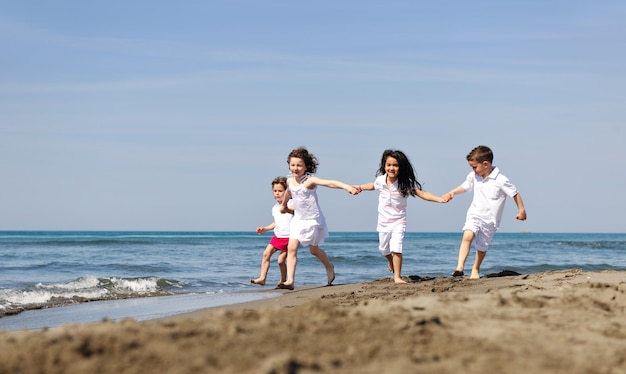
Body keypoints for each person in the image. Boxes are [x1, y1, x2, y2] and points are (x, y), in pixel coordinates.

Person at [354, 149, 449, 284]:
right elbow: (372, 185)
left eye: (395, 165)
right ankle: (390, 261)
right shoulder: (381, 180)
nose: (391, 168)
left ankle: (397, 277)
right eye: (389, 165)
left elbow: (423, 194)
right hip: (383, 221)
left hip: (399, 221)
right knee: (383, 249)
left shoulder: (405, 183)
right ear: (384, 166)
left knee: (396, 247)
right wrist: (359, 187)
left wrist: (439, 199)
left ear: (401, 167)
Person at [277, 147, 359, 290]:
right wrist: (283, 205)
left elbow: (330, 183)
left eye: (299, 165)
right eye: (292, 165)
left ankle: (329, 266)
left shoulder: (310, 181)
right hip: (298, 219)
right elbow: (289, 193)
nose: (295, 168)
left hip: (313, 220)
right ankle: (290, 280)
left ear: (306, 166)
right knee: (291, 248)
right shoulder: (289, 181)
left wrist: (347, 187)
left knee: (313, 250)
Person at [444, 145, 527, 279]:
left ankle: (475, 268)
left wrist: (521, 210)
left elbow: (515, 193)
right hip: (475, 213)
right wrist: (452, 192)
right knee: (467, 236)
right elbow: (465, 186)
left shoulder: (501, 179)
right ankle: (459, 266)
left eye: (474, 167)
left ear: (486, 164)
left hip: (490, 220)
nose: (473, 170)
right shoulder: (474, 176)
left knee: (482, 247)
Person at [251, 176, 294, 287]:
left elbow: (296, 213)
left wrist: (287, 210)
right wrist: (265, 229)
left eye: (280, 191)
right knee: (266, 254)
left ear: (287, 192)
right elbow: (276, 223)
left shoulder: (291, 203)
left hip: (290, 239)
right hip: (277, 237)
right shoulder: (275, 208)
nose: (277, 193)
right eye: (275, 191)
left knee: (280, 261)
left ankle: (284, 280)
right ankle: (262, 278)